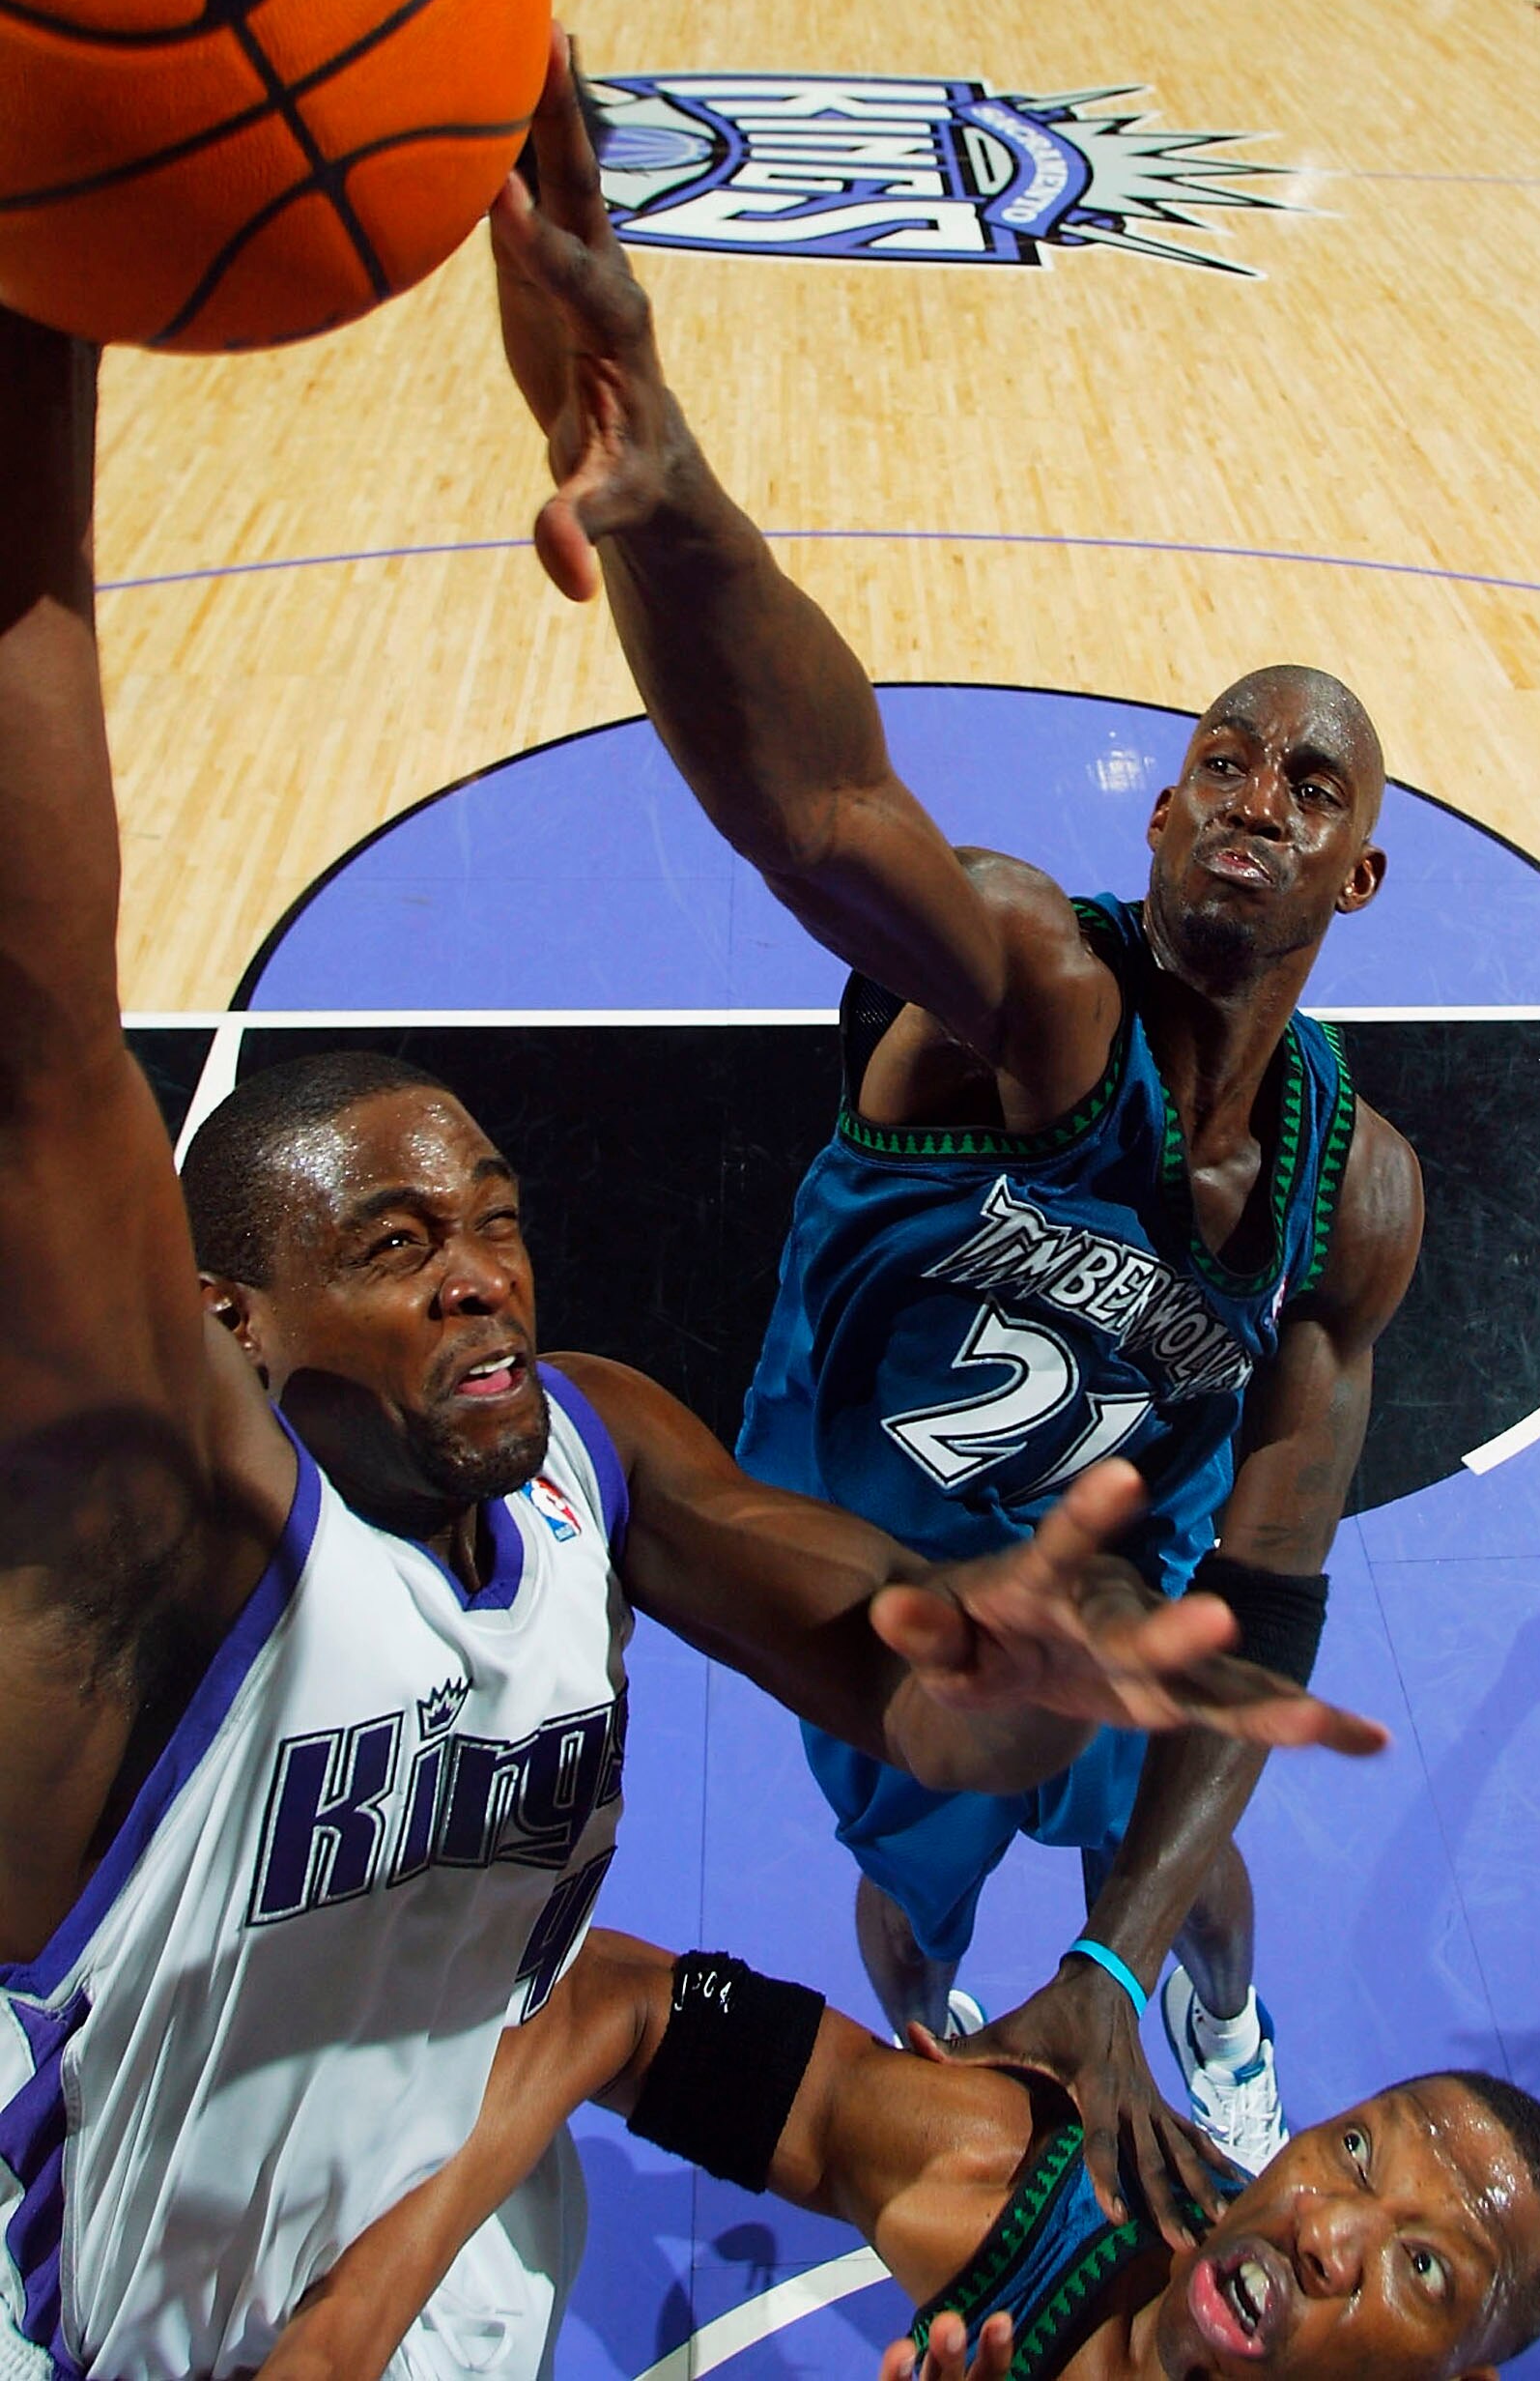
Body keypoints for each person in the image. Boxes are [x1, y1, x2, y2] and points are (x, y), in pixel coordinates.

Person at [0, 306, 1383, 2381]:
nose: (481, 1274)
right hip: (103, 2328)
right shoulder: (147, 1543)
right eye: (394, 1243)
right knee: (915, 1910)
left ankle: (1202, 1998)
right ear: (224, 1327)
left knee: (1146, 1872)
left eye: (496, 1223)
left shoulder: (595, 1460)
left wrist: (996, 1693)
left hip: (476, 2295)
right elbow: (35, 1047)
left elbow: (908, 1688)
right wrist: (39, 328)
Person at [488, 42, 1426, 2204]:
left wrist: (1108, 1958)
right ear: (1163, 801)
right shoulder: (1031, 985)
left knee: (1188, 1855)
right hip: (880, 1590)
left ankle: (1202, 2006)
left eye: (1307, 785)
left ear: (1356, 872)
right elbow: (816, 803)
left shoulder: (1350, 1196)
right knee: (909, 1893)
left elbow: (1269, 1602)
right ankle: (936, 2011)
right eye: (1218, 759)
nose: (1248, 801)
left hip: (1115, 1612)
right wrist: (678, 495)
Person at [256, 1926, 1540, 2381]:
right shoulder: (1043, 2198)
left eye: (1422, 2267)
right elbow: (613, 2004)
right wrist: (348, 2332)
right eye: (1353, 2150)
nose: (1327, 2230)